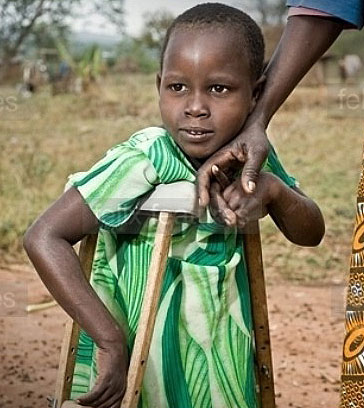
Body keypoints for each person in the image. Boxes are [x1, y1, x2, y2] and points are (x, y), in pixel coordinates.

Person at [23, 4, 325, 408]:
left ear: (255, 95)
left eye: (219, 89)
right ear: (159, 86)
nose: (195, 106)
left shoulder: (248, 157)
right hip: (138, 363)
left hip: (220, 364)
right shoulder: (147, 156)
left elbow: (312, 233)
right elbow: (44, 236)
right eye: (177, 87)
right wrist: (108, 339)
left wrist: (274, 190)